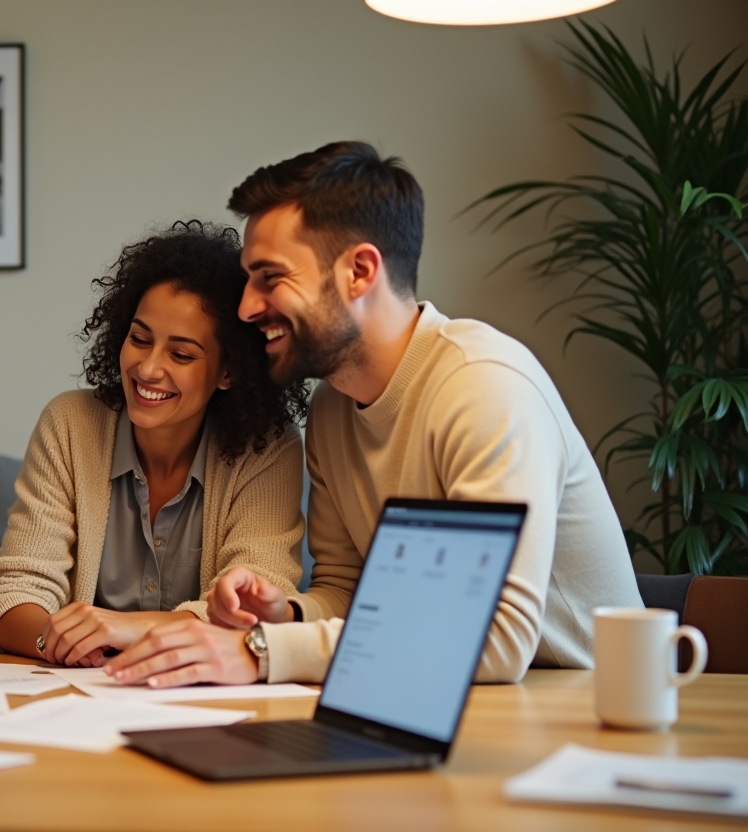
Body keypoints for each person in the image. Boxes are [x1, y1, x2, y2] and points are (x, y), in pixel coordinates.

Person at [106, 141, 643, 689]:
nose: (245, 307)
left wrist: (262, 650)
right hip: (425, 693)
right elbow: (346, 591)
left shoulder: (484, 384)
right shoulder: (332, 411)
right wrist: (282, 615)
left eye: (270, 277)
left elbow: (498, 637)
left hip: (583, 706)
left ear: (359, 272)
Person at [0, 221, 309, 666]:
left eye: (181, 354)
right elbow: (12, 592)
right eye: (139, 339)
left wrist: (124, 630)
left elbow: (253, 609)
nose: (148, 368)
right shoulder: (71, 423)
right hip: (78, 691)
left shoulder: (267, 448)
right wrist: (59, 642)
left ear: (229, 371)